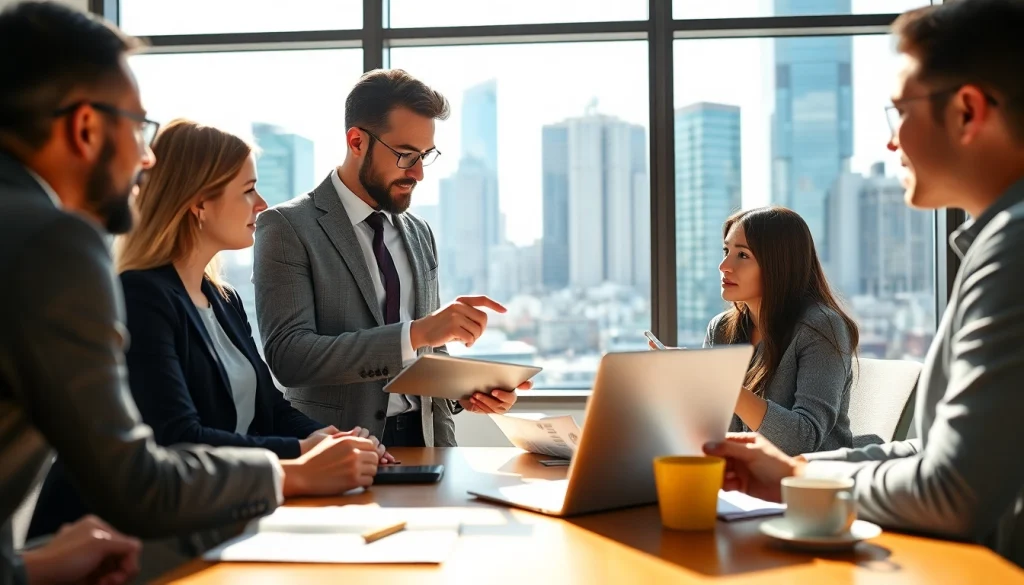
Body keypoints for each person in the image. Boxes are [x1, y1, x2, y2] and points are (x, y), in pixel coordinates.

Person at [0, 3, 378, 582]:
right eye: (139, 129)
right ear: (85, 128)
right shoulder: (56, 243)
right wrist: (294, 469)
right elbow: (140, 478)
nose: (146, 158)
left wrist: (28, 567)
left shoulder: (219, 296)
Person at [703, 0, 1024, 567]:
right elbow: (930, 454)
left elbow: (953, 492)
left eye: (899, 111)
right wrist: (799, 473)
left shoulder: (1013, 251)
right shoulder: (993, 244)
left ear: (968, 111)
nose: (890, 143)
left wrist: (794, 480)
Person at [28, 119, 391, 541]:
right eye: (247, 190)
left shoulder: (224, 298)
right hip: (106, 540)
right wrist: (302, 455)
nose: (262, 204)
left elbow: (270, 411)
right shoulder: (140, 297)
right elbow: (177, 437)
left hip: (205, 518)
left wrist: (327, 437)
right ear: (200, 204)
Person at [253, 69, 530, 448]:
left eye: (425, 156)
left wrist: (468, 389)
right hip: (340, 448)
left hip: (432, 446)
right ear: (356, 142)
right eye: (405, 155)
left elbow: (428, 354)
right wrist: (419, 332)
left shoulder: (419, 232)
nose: (417, 172)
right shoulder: (287, 227)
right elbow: (290, 357)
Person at [703, 207, 859, 456]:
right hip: (740, 478)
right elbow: (708, 425)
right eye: (726, 251)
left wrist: (724, 385)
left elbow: (802, 440)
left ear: (779, 264)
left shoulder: (821, 327)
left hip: (811, 483)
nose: (724, 266)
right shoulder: (721, 329)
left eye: (742, 255)